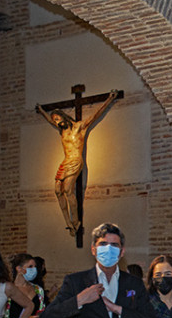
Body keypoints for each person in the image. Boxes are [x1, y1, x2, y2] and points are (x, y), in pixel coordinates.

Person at [35, 89, 119, 236]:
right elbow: (48, 120)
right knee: (57, 191)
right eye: (54, 120)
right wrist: (42, 111)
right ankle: (68, 222)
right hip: (65, 161)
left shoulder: (79, 127)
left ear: (63, 116)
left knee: (68, 190)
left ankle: (76, 220)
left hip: (75, 161)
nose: (56, 122)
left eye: (57, 118)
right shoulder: (62, 131)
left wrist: (109, 99)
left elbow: (95, 116)